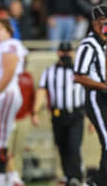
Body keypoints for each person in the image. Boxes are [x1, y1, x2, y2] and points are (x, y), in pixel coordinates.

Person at [33, 42, 85, 186]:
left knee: (74, 145)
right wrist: (35, 112)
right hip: (58, 115)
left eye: (68, 52)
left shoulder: (80, 71)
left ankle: (75, 176)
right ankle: (69, 175)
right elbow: (42, 91)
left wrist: (91, 117)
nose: (66, 55)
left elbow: (88, 94)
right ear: (58, 53)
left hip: (76, 114)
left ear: (73, 53)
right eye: (63, 52)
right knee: (62, 145)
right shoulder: (50, 72)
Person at [0, 18, 28, 186]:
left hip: (4, 95)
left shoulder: (11, 45)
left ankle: (2, 180)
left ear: (9, 31)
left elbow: (9, 72)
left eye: (0, 28)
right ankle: (12, 177)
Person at [74, 4, 107, 186]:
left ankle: (98, 181)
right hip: (96, 96)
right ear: (94, 23)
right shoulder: (89, 45)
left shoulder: (104, 43)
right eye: (102, 21)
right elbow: (78, 76)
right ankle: (98, 182)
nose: (105, 24)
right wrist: (103, 85)